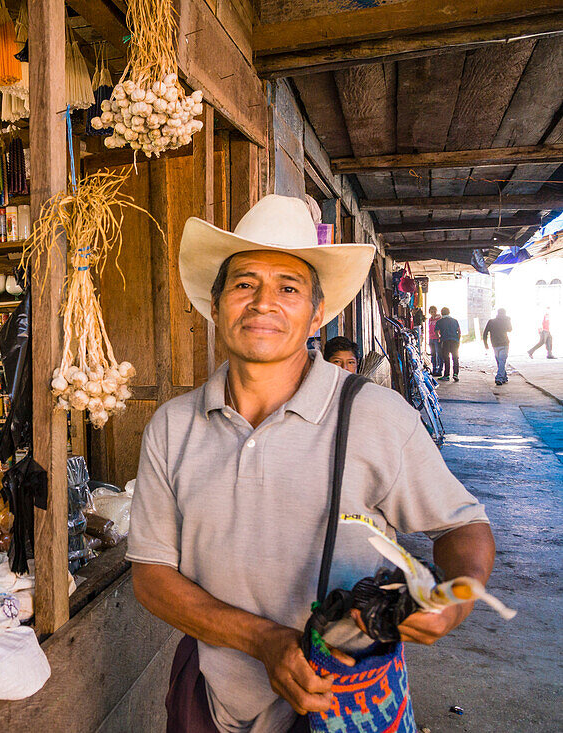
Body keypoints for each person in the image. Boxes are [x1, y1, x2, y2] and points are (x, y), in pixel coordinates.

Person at [129, 194, 494, 733]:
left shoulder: (376, 416)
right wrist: (263, 641)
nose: (263, 303)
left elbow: (463, 526)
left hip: (343, 701)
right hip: (211, 699)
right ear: (216, 303)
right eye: (244, 283)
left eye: (288, 288)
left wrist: (453, 598)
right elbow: (152, 575)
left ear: (317, 313)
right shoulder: (172, 425)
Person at [483, 309, 513, 386]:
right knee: (502, 361)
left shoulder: (491, 322)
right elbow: (510, 329)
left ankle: (504, 377)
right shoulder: (505, 321)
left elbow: (485, 333)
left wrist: (486, 343)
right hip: (504, 343)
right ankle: (499, 378)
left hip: (495, 344)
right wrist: (507, 320)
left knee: (500, 361)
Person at [436, 307, 462, 382]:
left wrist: (439, 338)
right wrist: (458, 340)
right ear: (449, 312)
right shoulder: (455, 321)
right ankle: (455, 374)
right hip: (454, 341)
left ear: (441, 313)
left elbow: (436, 332)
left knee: (446, 358)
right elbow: (459, 331)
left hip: (445, 341)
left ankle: (446, 375)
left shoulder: (439, 321)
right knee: (455, 358)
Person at [426, 306, 441, 376]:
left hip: (437, 338)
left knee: (438, 354)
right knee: (433, 354)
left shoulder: (439, 319)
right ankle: (434, 369)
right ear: (430, 312)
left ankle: (439, 370)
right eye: (432, 312)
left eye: (434, 311)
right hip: (431, 338)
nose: (433, 313)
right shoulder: (430, 320)